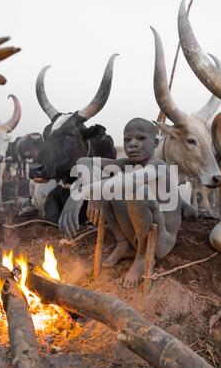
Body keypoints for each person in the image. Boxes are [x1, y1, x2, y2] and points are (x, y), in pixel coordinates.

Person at [59, 118, 195, 288]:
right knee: (110, 186)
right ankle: (124, 244)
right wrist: (91, 190)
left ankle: (144, 256)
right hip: (137, 233)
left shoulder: (158, 165)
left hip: (161, 241)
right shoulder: (126, 164)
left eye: (141, 138)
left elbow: (132, 181)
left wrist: (80, 192)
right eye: (127, 140)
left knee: (136, 191)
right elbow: (84, 163)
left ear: (155, 142)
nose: (132, 144)